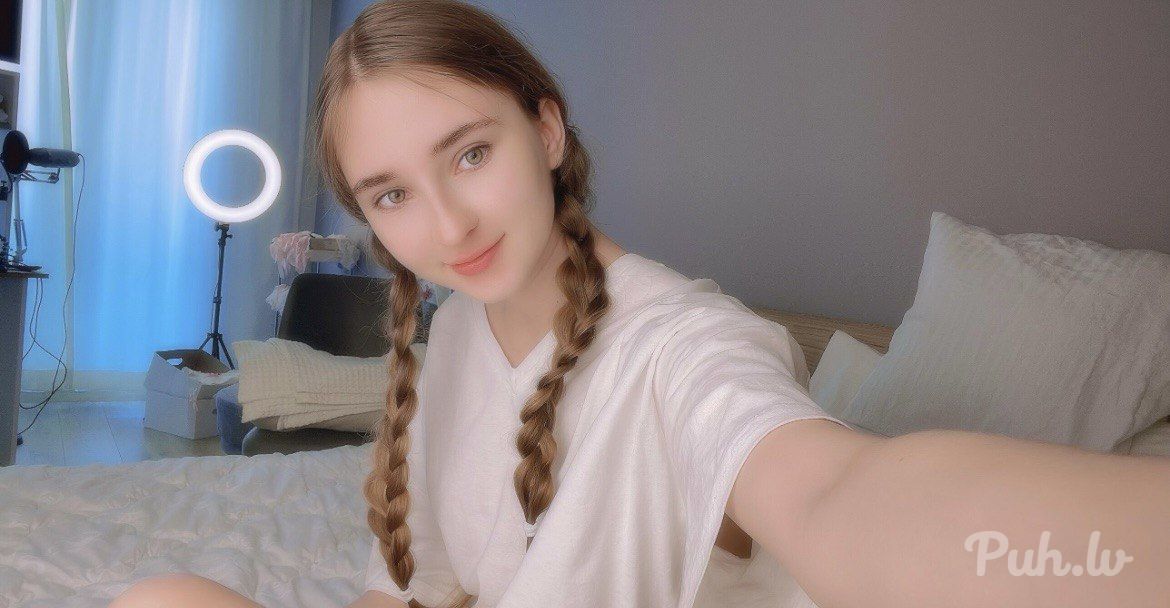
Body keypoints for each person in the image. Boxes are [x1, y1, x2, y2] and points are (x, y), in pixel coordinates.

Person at [109, 1, 1170, 607]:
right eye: (392, 194)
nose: (447, 223)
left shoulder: (685, 345)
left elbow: (839, 495)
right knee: (159, 599)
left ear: (546, 131)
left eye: (469, 153)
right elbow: (416, 585)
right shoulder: (461, 329)